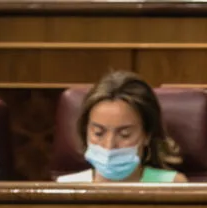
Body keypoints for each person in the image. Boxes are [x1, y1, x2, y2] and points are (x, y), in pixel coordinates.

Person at [56, 71, 188, 183]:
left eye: (124, 134)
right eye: (98, 133)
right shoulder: (65, 188)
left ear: (147, 134)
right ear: (85, 131)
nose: (109, 145)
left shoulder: (172, 185)